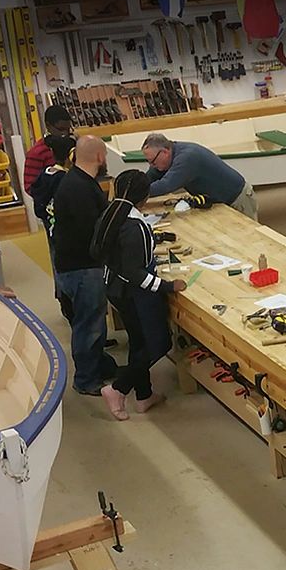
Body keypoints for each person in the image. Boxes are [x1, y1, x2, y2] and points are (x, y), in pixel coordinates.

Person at [90, 170, 187, 420]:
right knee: (159, 342)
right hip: (135, 294)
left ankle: (144, 395)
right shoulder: (134, 227)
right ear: (144, 197)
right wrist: (167, 286)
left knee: (139, 342)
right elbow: (135, 273)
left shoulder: (111, 214)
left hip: (115, 288)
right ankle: (118, 389)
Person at [52, 135, 118, 395]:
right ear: (100, 157)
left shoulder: (77, 181)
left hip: (75, 266)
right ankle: (86, 380)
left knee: (92, 321)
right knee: (88, 325)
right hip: (82, 268)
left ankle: (99, 367)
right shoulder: (79, 188)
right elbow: (93, 230)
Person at [140, 133, 259, 220]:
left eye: (153, 162)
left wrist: (137, 192)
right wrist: (135, 185)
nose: (152, 166)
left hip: (238, 200)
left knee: (252, 243)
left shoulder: (187, 157)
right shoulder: (169, 154)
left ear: (165, 152)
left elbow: (167, 185)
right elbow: (152, 175)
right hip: (220, 202)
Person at [28, 133, 75, 320]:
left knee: (60, 269)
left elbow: (39, 205)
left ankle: (67, 307)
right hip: (67, 236)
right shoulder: (65, 180)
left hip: (52, 229)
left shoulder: (45, 175)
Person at [23, 105, 73, 194]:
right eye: (61, 129)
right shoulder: (37, 153)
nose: (65, 134)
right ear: (48, 126)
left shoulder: (72, 146)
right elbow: (30, 187)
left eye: (68, 129)